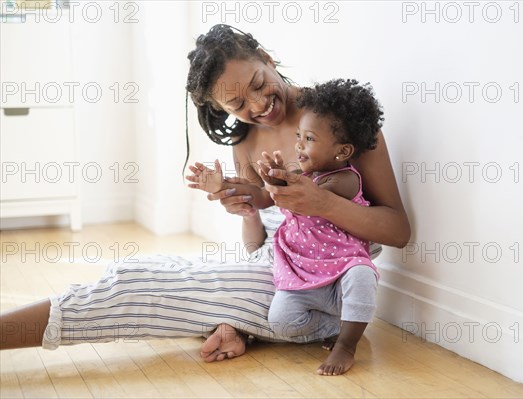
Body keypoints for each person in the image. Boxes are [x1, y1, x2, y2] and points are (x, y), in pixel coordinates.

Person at [0, 25, 411, 374]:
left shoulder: (338, 121)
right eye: (237, 104)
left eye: (257, 83)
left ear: (266, 58)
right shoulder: (247, 142)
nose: (258, 105)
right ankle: (239, 323)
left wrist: (322, 204)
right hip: (275, 271)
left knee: (131, 290)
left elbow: (397, 230)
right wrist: (245, 208)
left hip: (328, 279)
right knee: (134, 268)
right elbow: (258, 245)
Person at [264, 78, 383, 376]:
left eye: (310, 139)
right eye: (298, 136)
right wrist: (274, 178)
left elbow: (311, 195)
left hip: (341, 275)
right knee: (280, 322)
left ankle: (347, 344)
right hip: (304, 275)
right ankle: (338, 325)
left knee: (363, 274)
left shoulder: (345, 179)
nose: (299, 145)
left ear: (341, 152)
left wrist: (287, 180)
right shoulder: (311, 175)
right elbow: (292, 194)